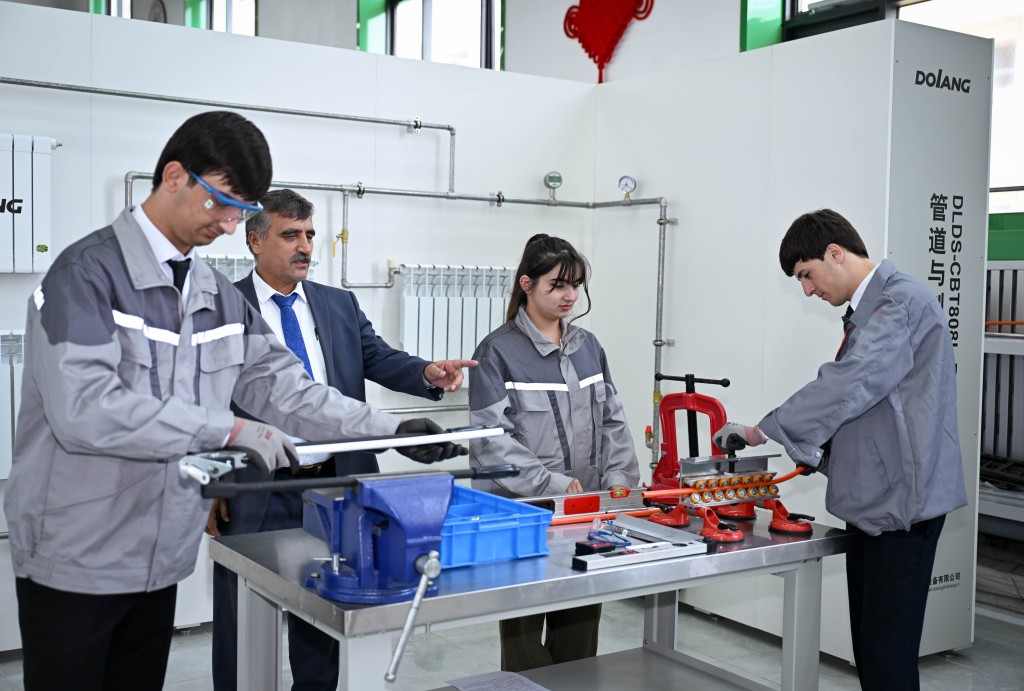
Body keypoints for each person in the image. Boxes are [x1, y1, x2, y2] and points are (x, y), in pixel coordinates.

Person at [3, 111, 462, 691]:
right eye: (220, 203)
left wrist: (389, 430)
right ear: (174, 176)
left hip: (158, 556)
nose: (225, 225)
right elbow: (85, 410)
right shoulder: (86, 275)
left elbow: (285, 387)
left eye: (239, 212)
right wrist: (227, 431)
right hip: (76, 557)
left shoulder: (214, 295)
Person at [209, 188, 476, 691]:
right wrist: (209, 484)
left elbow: (376, 357)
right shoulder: (223, 307)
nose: (305, 245)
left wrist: (426, 372)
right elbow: (205, 398)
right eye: (291, 235)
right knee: (241, 620)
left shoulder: (338, 303)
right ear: (254, 240)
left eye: (310, 234)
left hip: (335, 486)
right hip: (255, 486)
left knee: (325, 615)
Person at [712, 209, 967, 691]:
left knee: (886, 655)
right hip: (876, 502)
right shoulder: (875, 310)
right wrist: (821, 452)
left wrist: (760, 432)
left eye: (806, 275)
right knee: (872, 650)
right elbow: (873, 408)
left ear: (835, 253)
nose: (807, 290)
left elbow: (849, 385)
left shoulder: (901, 304)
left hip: (901, 508)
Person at [468, 233, 640, 671]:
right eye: (557, 285)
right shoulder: (497, 352)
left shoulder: (588, 348)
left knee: (580, 635)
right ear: (526, 284)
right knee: (525, 643)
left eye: (576, 284)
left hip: (587, 514)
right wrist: (556, 486)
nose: (569, 295)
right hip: (524, 515)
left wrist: (620, 481)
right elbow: (492, 443)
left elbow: (614, 423)